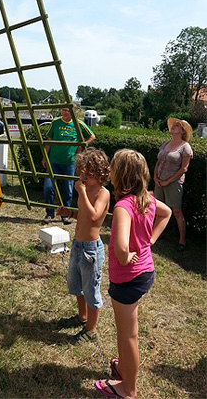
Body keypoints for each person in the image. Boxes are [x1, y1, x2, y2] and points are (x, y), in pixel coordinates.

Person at [95, 149, 171, 399]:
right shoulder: (147, 199)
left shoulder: (122, 207)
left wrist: (126, 255)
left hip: (128, 278)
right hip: (145, 272)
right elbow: (167, 212)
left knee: (128, 334)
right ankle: (125, 368)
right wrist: (151, 240)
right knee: (127, 331)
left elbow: (121, 246)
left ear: (119, 176)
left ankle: (128, 389)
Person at [56, 148, 110, 343]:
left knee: (91, 290)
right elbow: (84, 215)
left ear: (101, 174)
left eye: (88, 174)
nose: (83, 177)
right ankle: (82, 316)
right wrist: (70, 213)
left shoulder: (102, 193)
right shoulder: (85, 190)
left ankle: (91, 329)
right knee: (77, 285)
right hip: (78, 245)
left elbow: (94, 215)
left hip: (91, 250)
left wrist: (82, 193)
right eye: (81, 172)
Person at [42, 107, 95, 225]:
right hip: (53, 161)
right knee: (48, 187)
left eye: (67, 110)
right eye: (63, 110)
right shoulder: (55, 122)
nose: (65, 112)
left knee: (68, 189)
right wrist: (45, 157)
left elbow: (92, 136)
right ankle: (49, 214)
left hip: (70, 162)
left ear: (73, 112)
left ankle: (65, 215)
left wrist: (82, 145)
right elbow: (49, 140)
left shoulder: (78, 124)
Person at [154, 117, 193, 251]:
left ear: (182, 131)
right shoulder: (165, 144)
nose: (173, 127)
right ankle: (160, 232)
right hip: (159, 182)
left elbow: (184, 169)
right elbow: (158, 162)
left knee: (176, 211)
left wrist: (168, 181)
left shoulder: (185, 147)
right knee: (157, 209)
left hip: (174, 184)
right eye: (173, 125)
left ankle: (182, 241)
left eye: (177, 125)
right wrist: (155, 178)